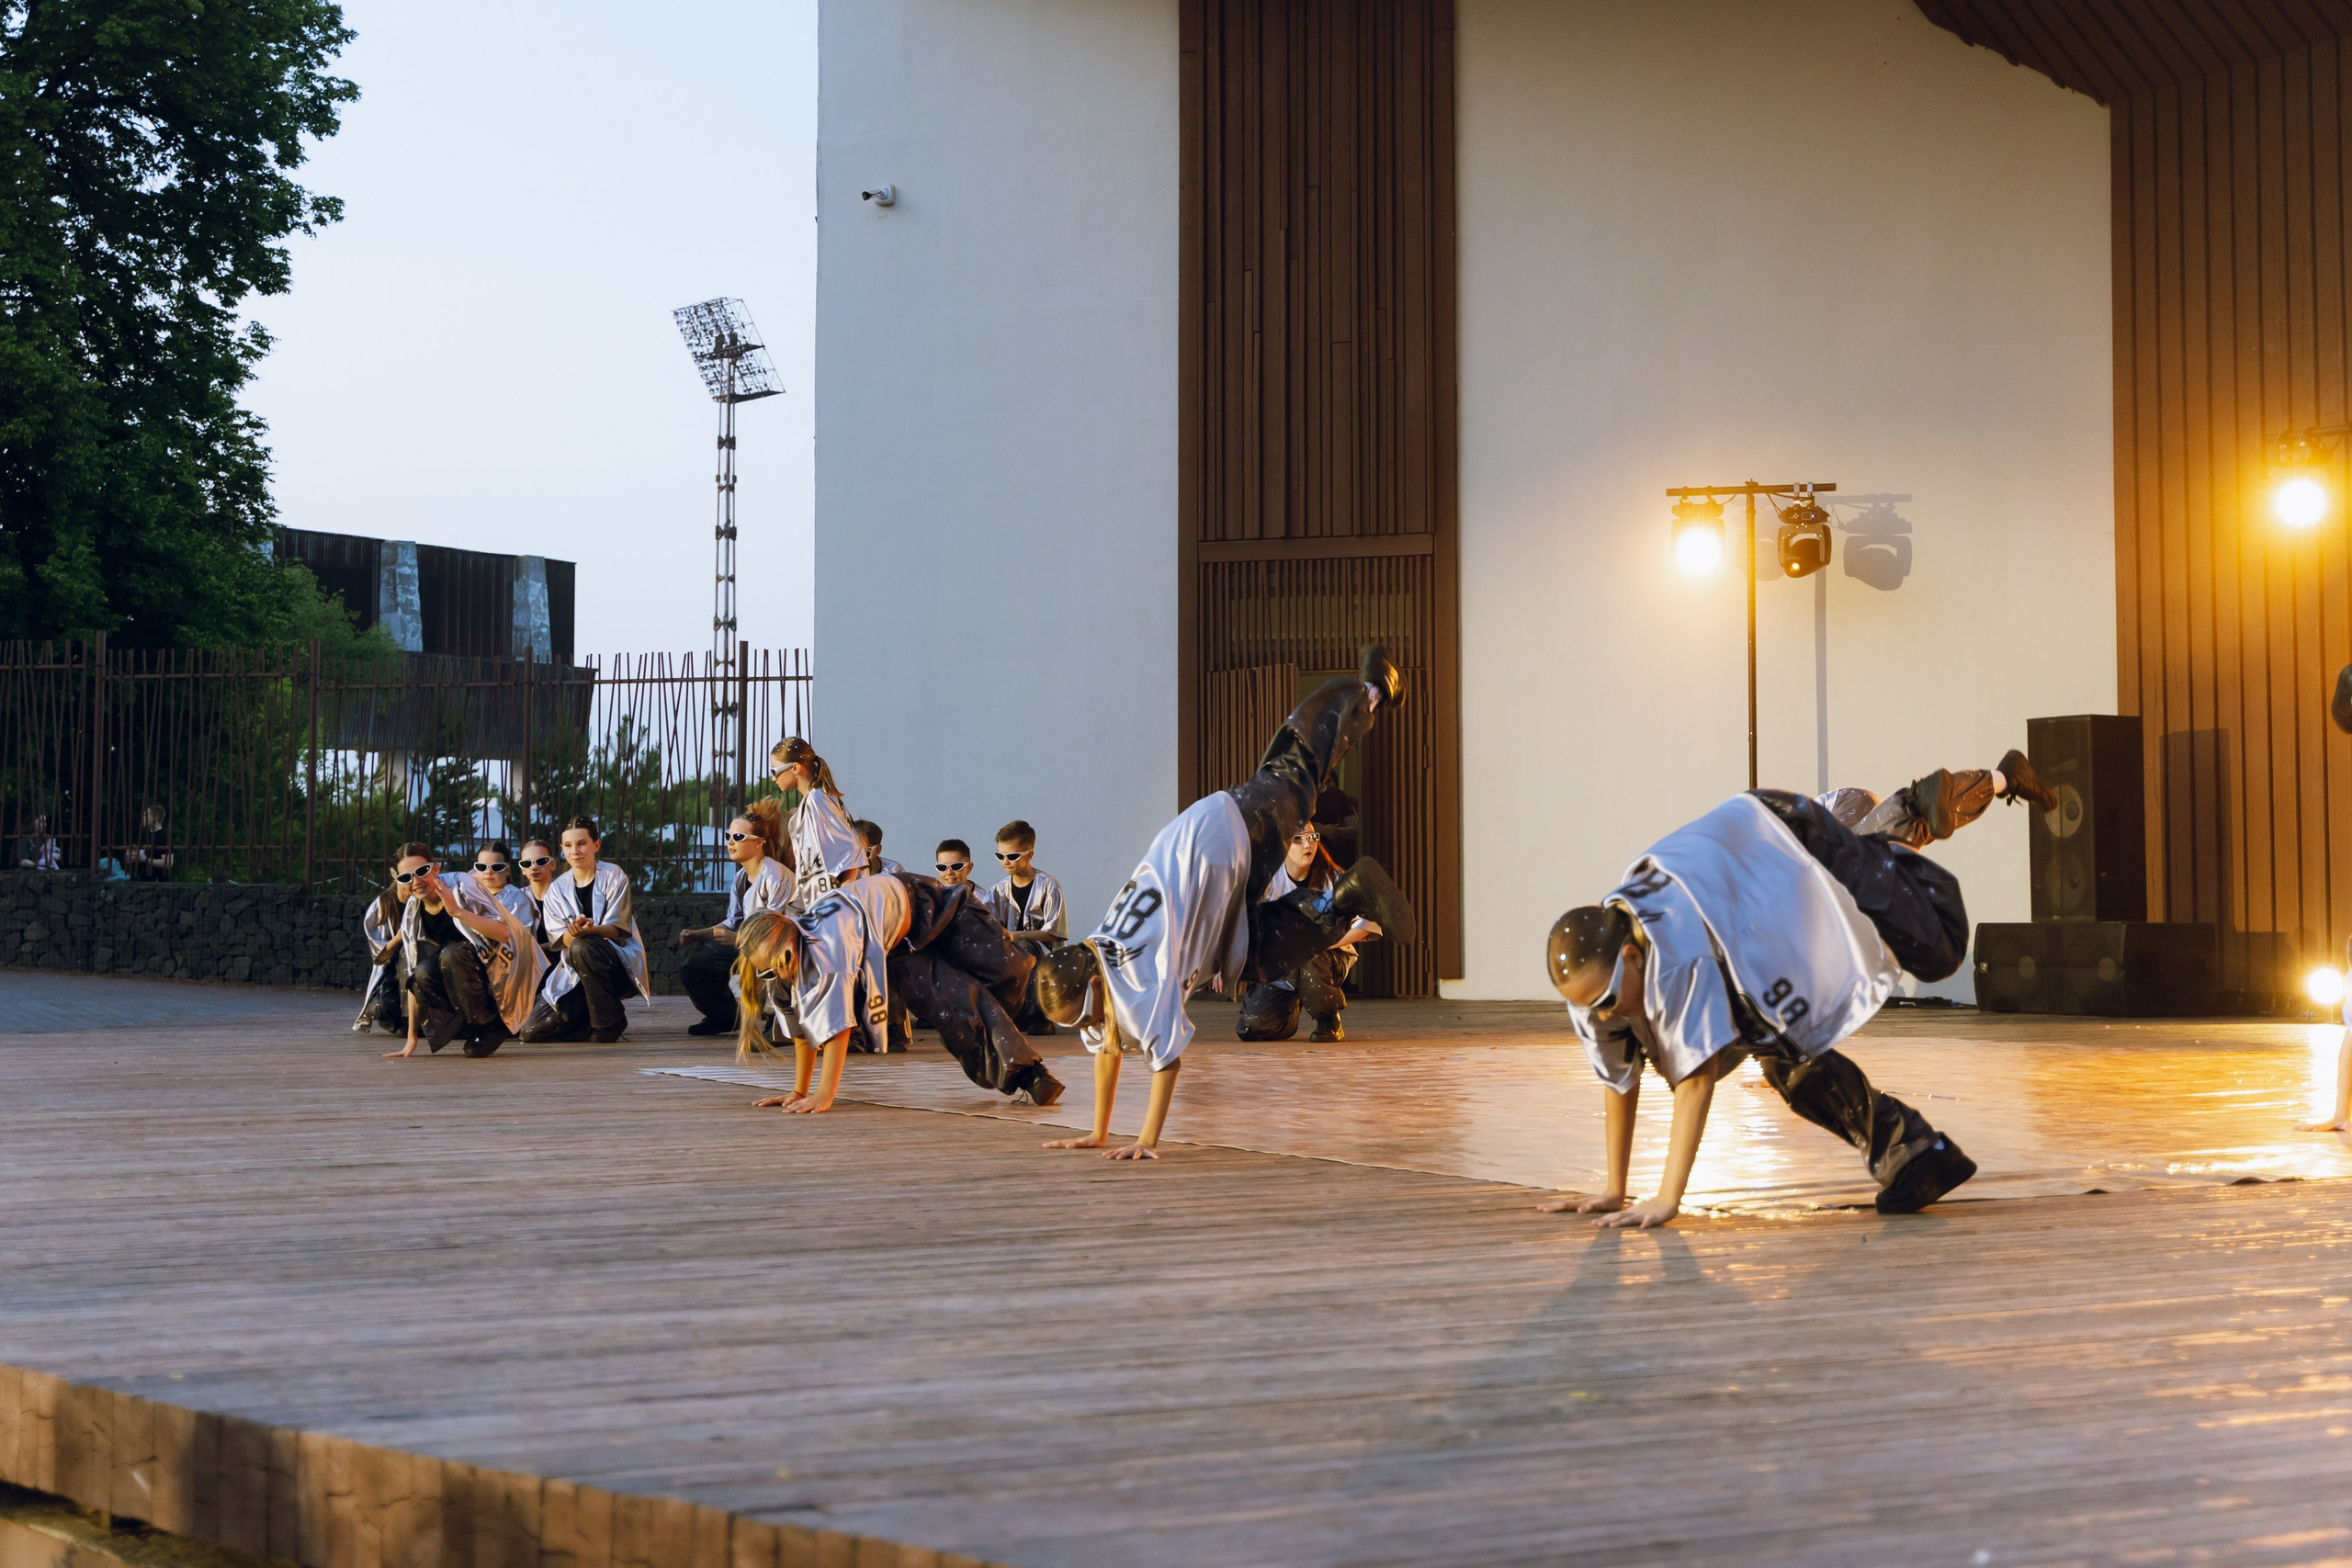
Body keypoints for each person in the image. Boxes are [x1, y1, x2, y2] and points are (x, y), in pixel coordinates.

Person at [1030, 646, 1417, 1159]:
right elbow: (1107, 1051)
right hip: (1213, 854)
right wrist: (1099, 1133)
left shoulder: (1137, 985)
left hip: (1229, 836)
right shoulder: (1095, 951)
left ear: (1096, 983)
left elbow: (1165, 1065)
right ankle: (1348, 896)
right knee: (1264, 953)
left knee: (1297, 767)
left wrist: (1145, 1140)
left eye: (1085, 1017)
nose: (1091, 1028)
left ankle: (1372, 690)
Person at [1544, 786, 1984, 1228]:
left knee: (1928, 948)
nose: (1601, 1015)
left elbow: (1696, 1080)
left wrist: (1665, 1199)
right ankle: (1915, 1155)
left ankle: (1905, 822)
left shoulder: (1679, 955)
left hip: (1783, 835)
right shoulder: (1593, 976)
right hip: (1743, 888)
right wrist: (1613, 1190)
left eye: (1606, 1003)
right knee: (1783, 1049)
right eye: (1588, 1008)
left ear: (1632, 958)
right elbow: (1619, 1080)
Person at [729, 876, 1065, 1112]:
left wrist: (824, 1093)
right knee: (955, 1005)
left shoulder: (828, 953)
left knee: (1009, 967)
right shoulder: (789, 969)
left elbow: (837, 1030)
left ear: (792, 937)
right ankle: (1030, 1075)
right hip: (894, 951)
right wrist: (801, 1091)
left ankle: (1024, 1008)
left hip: (929, 908)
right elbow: (805, 1031)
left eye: (782, 962)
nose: (781, 973)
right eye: (770, 971)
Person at [374, 842, 545, 1059]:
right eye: (407, 878)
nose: (416, 882)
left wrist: (457, 912)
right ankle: (475, 1026)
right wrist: (411, 1038)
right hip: (466, 976)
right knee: (423, 973)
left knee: (452, 955)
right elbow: (412, 974)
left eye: (422, 871)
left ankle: (491, 1024)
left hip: (504, 968)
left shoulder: (462, 884)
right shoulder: (413, 910)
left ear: (436, 868)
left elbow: (503, 934)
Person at [1234, 820, 1382, 1043]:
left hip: (1328, 957)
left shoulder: (1333, 878)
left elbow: (1367, 922)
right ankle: (1294, 1002)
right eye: (1298, 839)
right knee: (1253, 1028)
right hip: (1282, 963)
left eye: (1312, 837)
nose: (1307, 844)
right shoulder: (1266, 880)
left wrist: (1324, 942)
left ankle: (1328, 1020)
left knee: (1308, 952)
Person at [522, 816, 650, 1043]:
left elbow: (617, 931)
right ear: (561, 849)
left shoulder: (614, 875)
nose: (575, 851)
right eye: (568, 846)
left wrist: (592, 930)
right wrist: (574, 931)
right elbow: (560, 941)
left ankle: (608, 1022)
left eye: (582, 843)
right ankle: (586, 1021)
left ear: (596, 845)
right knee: (531, 1031)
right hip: (574, 971)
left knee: (583, 946)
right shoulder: (557, 889)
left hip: (614, 965)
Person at [677, 803, 796, 1037]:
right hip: (751, 944)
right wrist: (696, 934)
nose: (730, 842)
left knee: (764, 963)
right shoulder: (742, 876)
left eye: (738, 836)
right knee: (695, 965)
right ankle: (725, 1017)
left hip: (782, 948)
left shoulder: (775, 876)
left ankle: (778, 1025)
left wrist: (739, 939)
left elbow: (778, 929)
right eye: (728, 836)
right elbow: (733, 921)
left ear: (759, 842)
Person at [1816, 749, 2055, 846]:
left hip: (1835, 812)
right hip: (1827, 824)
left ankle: (1915, 801)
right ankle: (2003, 778)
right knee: (1911, 831)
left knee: (1859, 858)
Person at [770, 738, 865, 908]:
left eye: (774, 771)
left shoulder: (817, 800)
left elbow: (851, 854)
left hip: (834, 909)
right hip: (820, 906)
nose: (773, 778)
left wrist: (844, 905)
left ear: (795, 768)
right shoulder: (813, 801)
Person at [987, 820, 1067, 946]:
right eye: (1000, 856)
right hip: (1009, 957)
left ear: (1029, 855)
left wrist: (1019, 935)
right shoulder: (999, 889)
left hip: (1043, 960)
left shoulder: (1047, 885)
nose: (1005, 862)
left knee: (1024, 944)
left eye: (1012, 856)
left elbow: (1055, 932)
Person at [469, 841, 537, 928]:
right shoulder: (469, 895)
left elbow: (519, 938)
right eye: (482, 867)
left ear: (507, 870)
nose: (488, 872)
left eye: (496, 867)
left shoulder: (518, 901)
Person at [129, 804, 173, 882]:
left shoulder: (164, 837)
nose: (143, 818)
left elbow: (168, 863)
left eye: (146, 815)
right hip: (142, 880)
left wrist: (146, 859)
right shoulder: (143, 836)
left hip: (158, 881)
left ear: (155, 818)